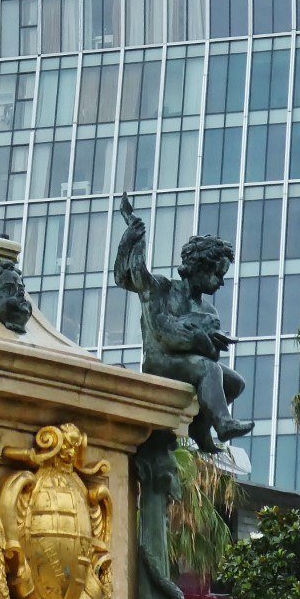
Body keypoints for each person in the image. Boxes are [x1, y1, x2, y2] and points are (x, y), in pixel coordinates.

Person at [113, 194, 252, 453]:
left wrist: (205, 340)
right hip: (160, 362)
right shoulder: (163, 289)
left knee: (235, 382)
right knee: (210, 371)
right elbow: (128, 277)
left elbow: (213, 353)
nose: (220, 283)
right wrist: (133, 238)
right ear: (199, 267)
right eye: (217, 275)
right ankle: (223, 424)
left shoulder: (208, 310)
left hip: (186, 364)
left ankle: (201, 427)